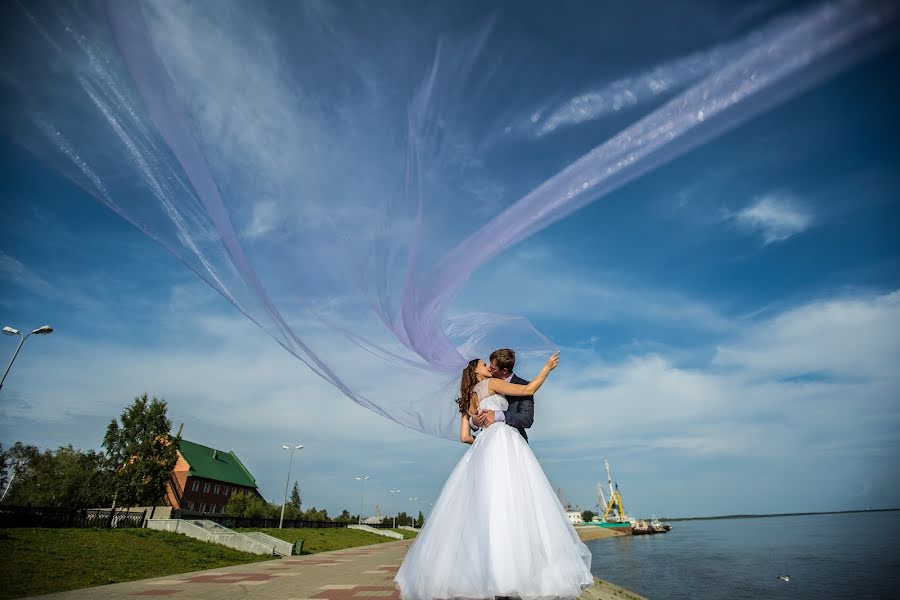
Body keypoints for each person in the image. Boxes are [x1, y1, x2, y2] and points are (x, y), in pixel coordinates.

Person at [394, 351, 593, 600]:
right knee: (512, 499)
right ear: (477, 371)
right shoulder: (491, 383)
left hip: (484, 446)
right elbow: (528, 390)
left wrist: (483, 438)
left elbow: (466, 437)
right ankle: (514, 572)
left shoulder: (469, 397)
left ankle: (480, 574)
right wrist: (546, 369)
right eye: (483, 364)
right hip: (504, 442)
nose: (487, 366)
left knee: (482, 507)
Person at [471, 348, 534, 442]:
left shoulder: (522, 385)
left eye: (492, 368)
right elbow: (473, 416)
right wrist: (473, 421)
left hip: (515, 442)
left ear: (504, 371)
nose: (488, 369)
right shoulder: (485, 385)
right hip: (490, 440)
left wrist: (498, 415)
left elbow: (526, 419)